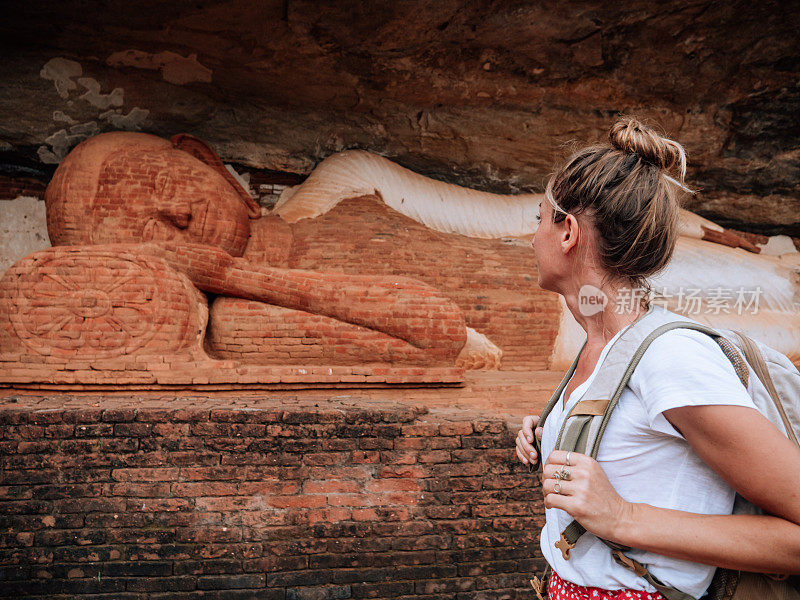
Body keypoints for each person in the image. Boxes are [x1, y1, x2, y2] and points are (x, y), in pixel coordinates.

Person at [515, 118, 800, 599]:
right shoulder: (601, 345)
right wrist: (560, 433)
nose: (533, 236)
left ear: (567, 233)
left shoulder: (671, 358)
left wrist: (623, 517)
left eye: (539, 218)